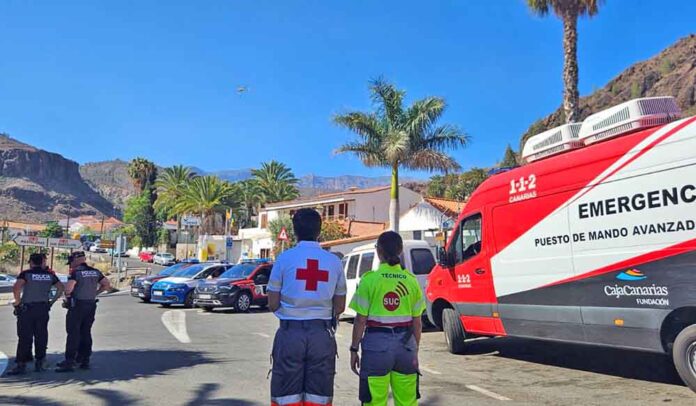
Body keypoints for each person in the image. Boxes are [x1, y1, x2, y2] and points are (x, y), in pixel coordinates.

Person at [267, 208, 347, 406]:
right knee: (319, 394)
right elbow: (340, 306)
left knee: (286, 394)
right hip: (321, 335)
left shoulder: (284, 259)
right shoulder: (334, 262)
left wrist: (291, 312)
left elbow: (272, 303)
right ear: (319, 231)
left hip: (290, 333)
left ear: (295, 231)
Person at [349, 231, 425, 406]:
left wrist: (354, 349)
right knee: (407, 402)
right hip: (406, 346)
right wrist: (414, 350)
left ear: (378, 251)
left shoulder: (369, 281)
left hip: (376, 347)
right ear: (400, 251)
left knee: (374, 401)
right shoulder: (411, 281)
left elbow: (360, 320)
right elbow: (417, 323)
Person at [6, 253, 64, 375]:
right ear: (42, 262)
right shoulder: (49, 275)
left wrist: (17, 301)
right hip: (43, 308)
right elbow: (60, 288)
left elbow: (16, 287)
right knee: (41, 335)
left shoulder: (26, 274)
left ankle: (21, 364)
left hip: (27, 309)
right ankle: (40, 362)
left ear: (31, 262)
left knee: (24, 337)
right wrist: (51, 302)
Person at [55, 251, 111, 372]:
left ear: (76, 260)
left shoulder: (76, 272)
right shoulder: (95, 271)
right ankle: (84, 359)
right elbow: (106, 284)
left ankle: (69, 361)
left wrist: (68, 297)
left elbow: (69, 289)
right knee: (86, 332)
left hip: (77, 306)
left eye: (71, 263)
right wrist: (95, 293)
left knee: (73, 333)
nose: (70, 265)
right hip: (90, 305)